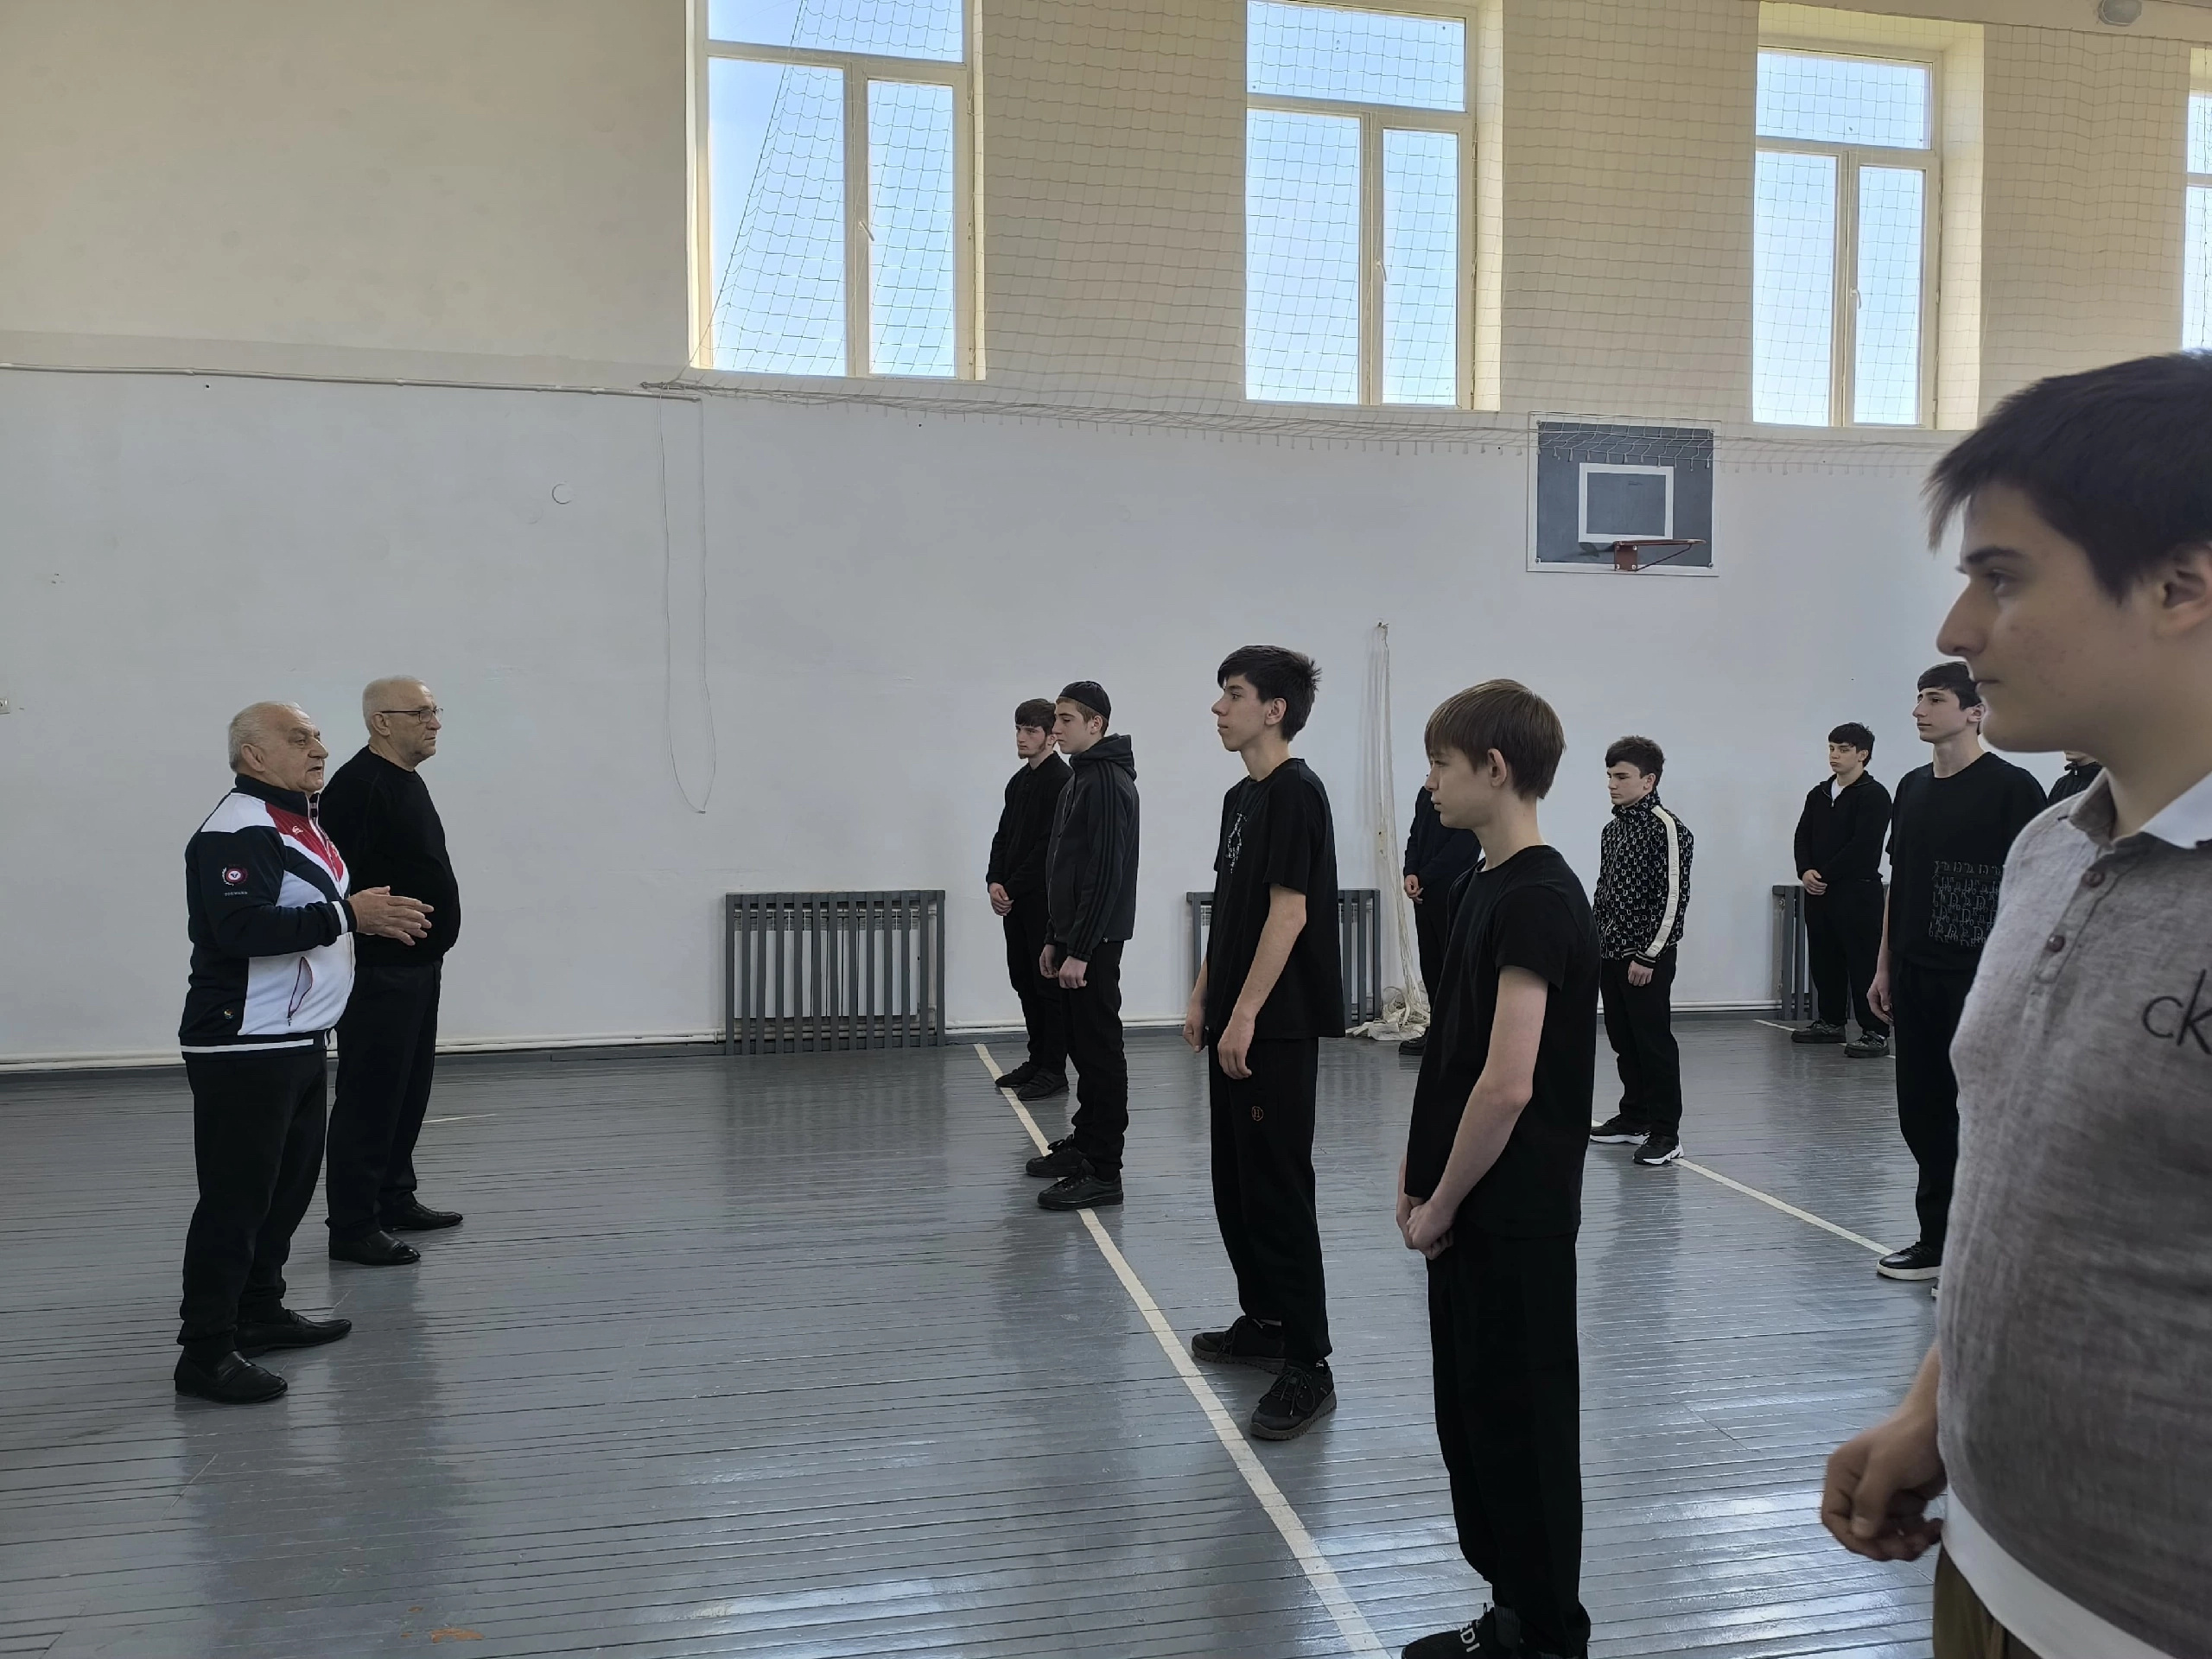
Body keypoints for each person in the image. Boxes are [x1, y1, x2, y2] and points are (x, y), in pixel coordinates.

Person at [1821, 352, 2212, 1659]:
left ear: (2179, 586)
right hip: (1985, 1568)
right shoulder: (2049, 848)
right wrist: (1933, 1407)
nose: (1956, 628)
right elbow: (2031, 1186)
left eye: (2001, 577)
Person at [1398, 681, 1599, 1659]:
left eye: (1441, 765)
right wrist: (1416, 1176)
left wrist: (1441, 1199)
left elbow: (1507, 1084)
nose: (1430, 783)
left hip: (1512, 1214)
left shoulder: (1540, 898)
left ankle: (1548, 1636)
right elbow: (1453, 1053)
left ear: (1495, 768)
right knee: (1476, 1424)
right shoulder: (1481, 886)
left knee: (1523, 1431)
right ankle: (1512, 1615)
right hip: (1467, 1210)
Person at [175, 702, 430, 1404]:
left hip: (294, 1039)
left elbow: (299, 913)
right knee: (236, 1201)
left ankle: (259, 1311)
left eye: (317, 735)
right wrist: (350, 914)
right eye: (299, 738)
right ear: (254, 757)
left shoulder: (297, 820)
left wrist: (357, 920)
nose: (318, 747)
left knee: (283, 1193)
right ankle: (205, 1351)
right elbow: (238, 927)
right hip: (243, 1044)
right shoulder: (238, 828)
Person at [1181, 646, 1344, 1442]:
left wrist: (1245, 1013)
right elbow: (1232, 907)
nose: (1219, 708)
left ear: (1274, 709)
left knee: (1278, 1190)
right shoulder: (1240, 799)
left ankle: (1309, 1363)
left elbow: (1290, 913)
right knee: (1236, 1185)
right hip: (1234, 1016)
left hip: (1274, 1027)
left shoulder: (1296, 793)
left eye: (1234, 694)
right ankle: (1266, 1322)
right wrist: (1204, 993)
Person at [1866, 663, 2045, 1283]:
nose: (1919, 709)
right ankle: (1938, 1240)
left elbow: (2033, 891)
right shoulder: (1911, 787)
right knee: (1922, 1110)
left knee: (1980, 1113)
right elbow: (1898, 882)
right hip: (1914, 973)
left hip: (1979, 976)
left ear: (1974, 712)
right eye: (1918, 697)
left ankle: (1985, 1249)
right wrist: (1884, 965)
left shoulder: (2013, 789)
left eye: (1934, 699)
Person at [318, 678, 464, 1268]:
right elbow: (332, 878)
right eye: (421, 713)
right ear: (382, 722)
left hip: (416, 965)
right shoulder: (359, 786)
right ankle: (353, 1225)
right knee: (372, 1095)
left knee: (406, 1090)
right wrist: (363, 926)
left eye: (435, 711)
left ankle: (393, 1197)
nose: (435, 722)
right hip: (379, 970)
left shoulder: (401, 779)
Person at [1027, 681, 1139, 1212]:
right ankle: (1086, 1143)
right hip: (1075, 939)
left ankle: (1104, 1170)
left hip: (1096, 942)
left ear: (1097, 724)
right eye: (1056, 719)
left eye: (1066, 719)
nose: (1056, 729)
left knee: (1099, 1052)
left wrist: (1083, 949)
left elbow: (1105, 874)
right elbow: (1063, 868)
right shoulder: (1080, 779)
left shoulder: (1109, 782)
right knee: (1080, 1047)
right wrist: (1056, 936)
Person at [1586, 736, 1693, 1168]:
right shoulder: (1612, 830)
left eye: (1622, 777)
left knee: (1653, 1043)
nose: (1612, 784)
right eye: (1609, 776)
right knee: (1623, 1039)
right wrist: (1594, 944)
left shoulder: (1668, 829)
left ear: (1648, 781)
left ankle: (1666, 1133)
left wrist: (1648, 955)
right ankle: (1635, 1116)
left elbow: (1674, 898)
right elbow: (1604, 892)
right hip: (1610, 954)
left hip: (1647, 958)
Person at [986, 698, 1072, 1103]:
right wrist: (994, 881)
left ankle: (1054, 1069)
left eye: (1030, 731)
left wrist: (1012, 888)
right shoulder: (1018, 781)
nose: (1021, 738)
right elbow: (1003, 836)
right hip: (1016, 901)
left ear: (1051, 737)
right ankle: (1038, 1060)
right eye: (1018, 729)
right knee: (1023, 979)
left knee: (1046, 985)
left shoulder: (1062, 782)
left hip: (1044, 904)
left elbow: (1047, 850)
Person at [1791, 724, 1893, 1057]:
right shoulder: (1818, 793)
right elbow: (1802, 836)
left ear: (1862, 754)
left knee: (1863, 963)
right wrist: (1805, 871)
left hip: (1857, 892)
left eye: (1843, 749)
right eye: (1832, 748)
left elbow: (1863, 846)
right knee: (1825, 959)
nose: (1834, 755)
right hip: (1820, 892)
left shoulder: (1874, 795)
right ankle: (1831, 1022)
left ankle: (1875, 1030)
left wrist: (1824, 873)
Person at [1402, 785, 1482, 1055]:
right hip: (1425, 895)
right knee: (1431, 963)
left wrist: (1424, 877)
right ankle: (1437, 1030)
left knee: (1455, 965)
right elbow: (1415, 836)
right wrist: (1410, 872)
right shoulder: (1426, 793)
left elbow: (1463, 847)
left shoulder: (1468, 795)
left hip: (1453, 892)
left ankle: (1458, 1035)